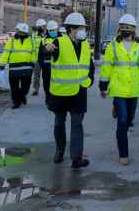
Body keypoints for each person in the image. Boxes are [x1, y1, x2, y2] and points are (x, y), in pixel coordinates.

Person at [99, 14, 139, 166]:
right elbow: (107, 66)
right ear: (119, 28)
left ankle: (117, 108)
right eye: (123, 27)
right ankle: (124, 154)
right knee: (122, 121)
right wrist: (103, 85)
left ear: (134, 30)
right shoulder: (113, 46)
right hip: (118, 88)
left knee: (129, 119)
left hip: (134, 89)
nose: (125, 30)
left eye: (128, 28)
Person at [44, 12, 94, 170]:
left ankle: (76, 159)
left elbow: (89, 65)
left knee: (77, 125)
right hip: (60, 92)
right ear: (71, 28)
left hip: (79, 92)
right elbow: (48, 50)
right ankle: (59, 150)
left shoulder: (85, 44)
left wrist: (89, 80)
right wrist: (48, 48)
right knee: (59, 123)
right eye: (81, 27)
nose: (83, 30)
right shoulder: (58, 42)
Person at [0, 23, 35, 109]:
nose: (17, 32)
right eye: (17, 30)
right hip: (14, 68)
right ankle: (16, 102)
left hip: (27, 67)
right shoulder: (12, 40)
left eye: (19, 31)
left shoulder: (31, 40)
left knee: (26, 86)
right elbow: (6, 52)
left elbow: (34, 52)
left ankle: (22, 96)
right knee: (14, 87)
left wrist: (33, 61)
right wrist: (2, 64)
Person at [39, 20, 59, 105]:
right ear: (48, 30)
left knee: (57, 84)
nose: (52, 32)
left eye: (53, 30)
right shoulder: (44, 40)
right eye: (50, 30)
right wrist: (42, 64)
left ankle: (55, 99)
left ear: (57, 29)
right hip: (46, 68)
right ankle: (48, 98)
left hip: (59, 68)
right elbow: (40, 54)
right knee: (47, 84)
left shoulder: (62, 38)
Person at [31, 19, 47, 96]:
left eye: (44, 26)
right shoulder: (34, 35)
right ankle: (35, 89)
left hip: (45, 59)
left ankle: (47, 89)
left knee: (46, 76)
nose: (44, 27)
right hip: (37, 59)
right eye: (43, 26)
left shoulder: (47, 35)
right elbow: (32, 47)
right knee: (36, 75)